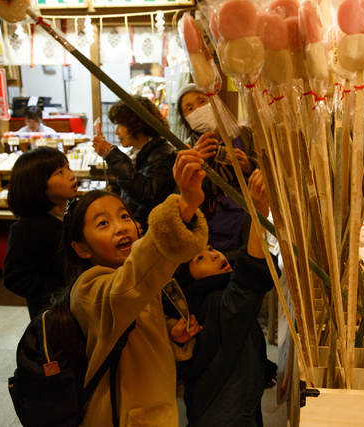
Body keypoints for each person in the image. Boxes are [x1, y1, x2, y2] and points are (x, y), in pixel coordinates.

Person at [60, 148, 208, 426]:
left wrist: (168, 331)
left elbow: (132, 322)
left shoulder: (129, 275)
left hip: (150, 407)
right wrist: (184, 205)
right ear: (81, 248)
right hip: (123, 416)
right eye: (103, 223)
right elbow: (127, 288)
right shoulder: (90, 288)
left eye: (124, 216)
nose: (120, 227)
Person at [166, 169, 277, 427]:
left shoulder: (209, 299)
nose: (215, 255)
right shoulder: (213, 304)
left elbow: (235, 341)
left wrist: (261, 365)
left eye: (211, 249)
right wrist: (257, 211)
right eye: (200, 259)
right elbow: (247, 285)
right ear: (187, 280)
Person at [176, 84, 259, 257]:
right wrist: (194, 163)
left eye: (202, 101)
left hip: (247, 225)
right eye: (189, 108)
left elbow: (266, 172)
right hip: (207, 233)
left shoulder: (243, 134)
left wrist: (248, 166)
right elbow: (181, 196)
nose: (198, 110)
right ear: (185, 120)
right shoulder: (185, 149)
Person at [3, 147, 78, 319]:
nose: (71, 175)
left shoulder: (76, 212)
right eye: (60, 172)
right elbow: (15, 278)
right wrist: (65, 288)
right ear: (38, 184)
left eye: (68, 167)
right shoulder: (26, 229)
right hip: (56, 316)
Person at [92, 96, 177, 231]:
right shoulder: (142, 151)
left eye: (120, 124)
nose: (116, 131)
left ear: (137, 124)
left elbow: (149, 194)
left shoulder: (161, 153)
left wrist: (111, 154)